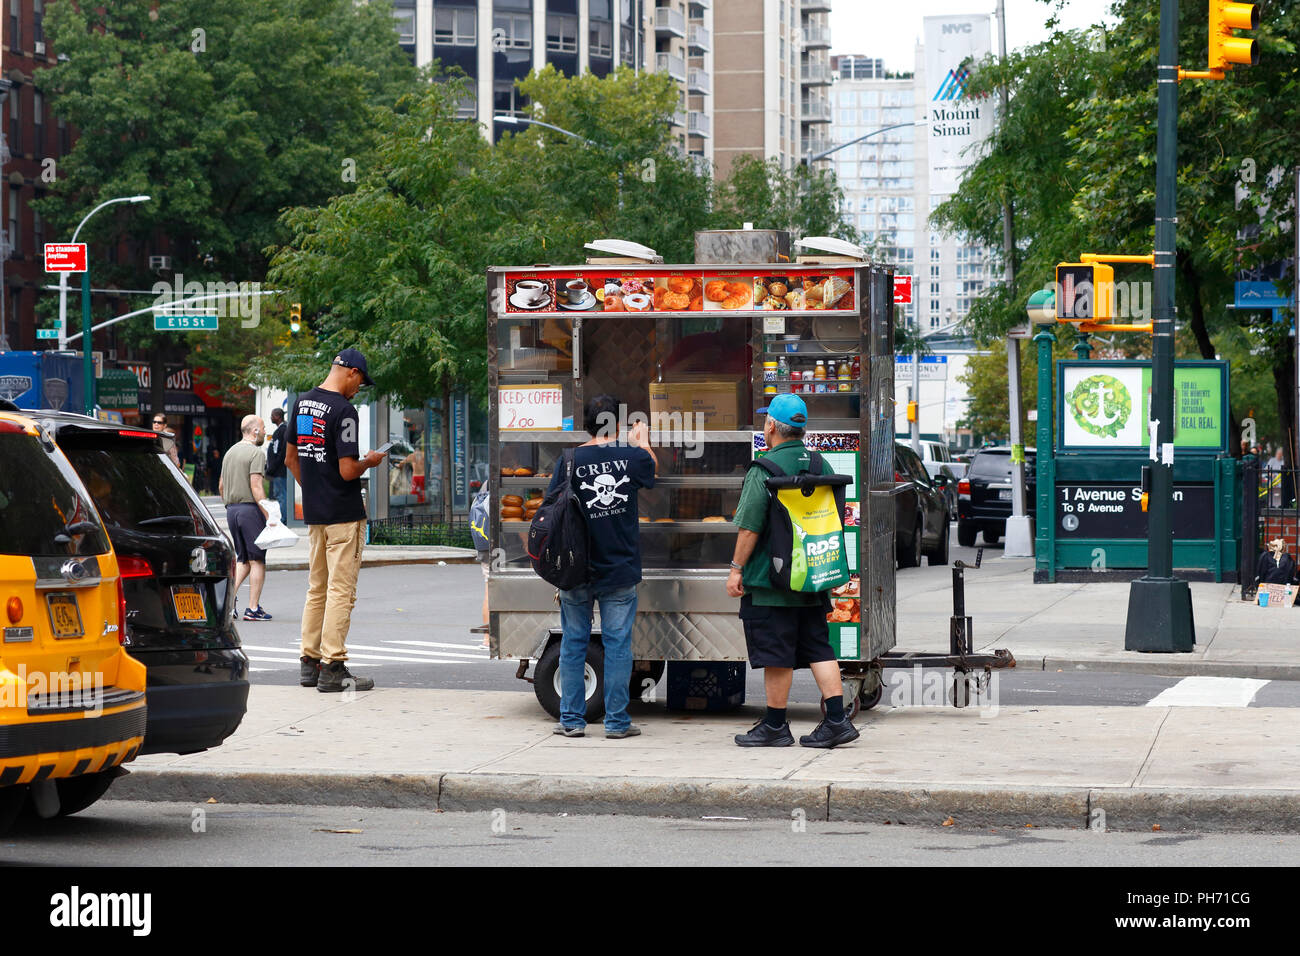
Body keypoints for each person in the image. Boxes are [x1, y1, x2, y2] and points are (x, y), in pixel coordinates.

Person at [726, 393, 860, 749]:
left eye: (764, 421)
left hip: (771, 582)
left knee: (776, 653)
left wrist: (736, 569)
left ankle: (774, 725)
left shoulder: (764, 469)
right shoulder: (822, 466)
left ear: (771, 426)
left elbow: (749, 527)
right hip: (814, 577)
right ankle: (836, 721)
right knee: (819, 648)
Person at [549, 394, 657, 739]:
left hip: (575, 567)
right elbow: (651, 470)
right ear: (619, 424)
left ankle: (571, 720)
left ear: (586, 424)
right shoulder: (631, 456)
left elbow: (551, 508)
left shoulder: (569, 460)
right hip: (619, 568)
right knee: (617, 645)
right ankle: (616, 722)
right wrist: (643, 441)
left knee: (574, 642)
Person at [285, 348, 385, 693]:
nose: (358, 390)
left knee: (317, 589)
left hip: (315, 514)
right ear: (352, 372)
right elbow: (346, 470)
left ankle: (309, 662)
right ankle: (333, 666)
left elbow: (290, 458)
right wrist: (369, 462)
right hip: (343, 513)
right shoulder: (344, 411)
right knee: (341, 591)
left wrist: (313, 491)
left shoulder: (301, 404)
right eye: (360, 382)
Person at [220, 414, 274, 621]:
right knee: (258, 560)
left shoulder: (229, 453)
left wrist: (230, 505)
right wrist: (269, 515)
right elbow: (256, 486)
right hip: (250, 510)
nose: (265, 430)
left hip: (232, 510)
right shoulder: (256, 453)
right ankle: (252, 608)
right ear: (255, 431)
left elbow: (221, 486)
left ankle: (228, 604)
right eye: (263, 427)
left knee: (243, 560)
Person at [263, 407, 289, 520]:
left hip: (279, 471)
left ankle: (284, 520)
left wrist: (271, 469)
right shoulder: (281, 430)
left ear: (278, 416)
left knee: (281, 496)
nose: (271, 417)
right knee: (279, 495)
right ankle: (284, 518)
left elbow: (280, 452)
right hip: (278, 471)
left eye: (272, 415)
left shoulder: (281, 431)